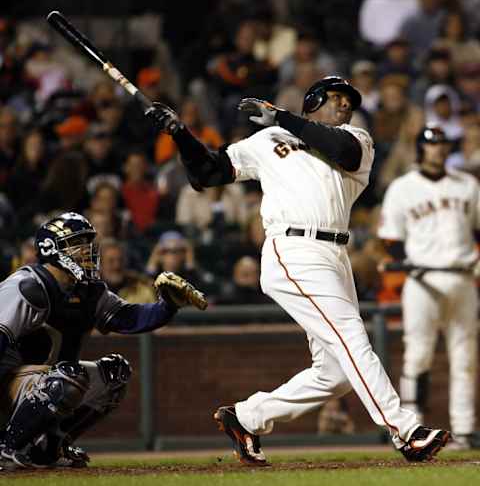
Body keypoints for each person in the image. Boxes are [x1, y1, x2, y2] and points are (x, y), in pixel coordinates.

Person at [146, 75, 450, 464]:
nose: (345, 105)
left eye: (349, 101)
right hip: (293, 248)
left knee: (334, 375)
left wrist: (281, 117)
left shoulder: (357, 139)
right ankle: (405, 431)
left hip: (336, 256)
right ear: (314, 101)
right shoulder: (265, 142)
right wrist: (181, 135)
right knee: (351, 336)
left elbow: (341, 150)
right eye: (336, 97)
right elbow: (207, 174)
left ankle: (246, 417)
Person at [0, 212, 207, 470]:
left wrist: (167, 307)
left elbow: (128, 318)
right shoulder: (28, 285)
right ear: (51, 249)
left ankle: (49, 446)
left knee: (115, 373)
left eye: (88, 243)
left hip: (44, 383)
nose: (87, 251)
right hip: (8, 383)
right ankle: (6, 450)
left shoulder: (88, 290)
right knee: (67, 378)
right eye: (77, 244)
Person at [378, 126, 480, 450]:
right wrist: (406, 261)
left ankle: (464, 430)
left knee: (465, 358)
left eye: (441, 145)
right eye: (431, 145)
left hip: (463, 276)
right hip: (422, 280)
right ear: (420, 149)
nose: (437, 150)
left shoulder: (468, 185)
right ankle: (411, 428)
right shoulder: (403, 188)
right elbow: (390, 239)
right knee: (417, 356)